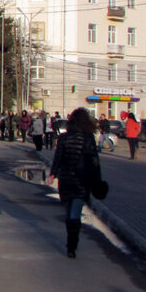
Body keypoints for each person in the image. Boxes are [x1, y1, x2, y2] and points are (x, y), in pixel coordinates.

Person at [49, 107, 102, 258]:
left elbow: (58, 157)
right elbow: (94, 162)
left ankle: (70, 244)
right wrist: (97, 182)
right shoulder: (88, 138)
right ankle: (72, 245)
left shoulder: (64, 138)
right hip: (81, 180)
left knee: (68, 212)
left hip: (65, 180)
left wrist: (53, 174)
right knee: (75, 212)